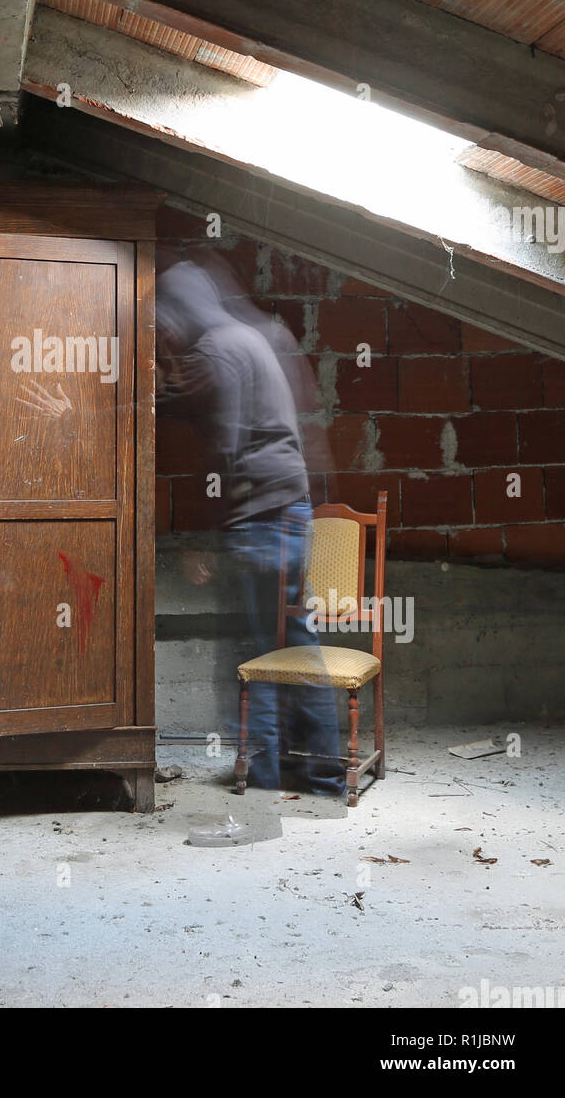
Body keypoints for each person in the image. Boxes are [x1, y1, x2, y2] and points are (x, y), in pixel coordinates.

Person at [155, 259, 343, 842]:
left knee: (255, 664)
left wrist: (214, 539)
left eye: (164, 319)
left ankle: (258, 811)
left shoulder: (216, 350)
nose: (163, 331)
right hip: (292, 509)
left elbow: (230, 447)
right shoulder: (250, 337)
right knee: (296, 650)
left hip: (261, 518)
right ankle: (327, 781)